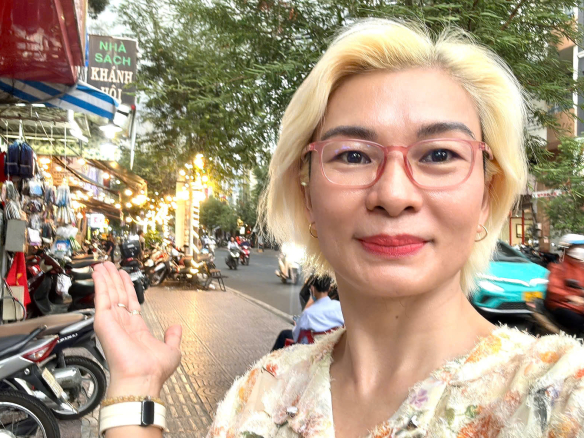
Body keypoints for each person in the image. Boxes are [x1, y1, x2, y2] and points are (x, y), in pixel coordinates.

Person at [92, 19, 584, 438]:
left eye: (439, 155)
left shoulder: (560, 396)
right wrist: (136, 386)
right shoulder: (262, 394)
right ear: (307, 196)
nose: (393, 193)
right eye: (352, 156)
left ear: (487, 197)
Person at [272, 275, 344, 351]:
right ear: (329, 288)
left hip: (312, 349)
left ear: (312, 288)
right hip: (333, 346)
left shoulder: (308, 313)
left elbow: (296, 336)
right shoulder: (339, 306)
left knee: (284, 334)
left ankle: (270, 358)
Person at [544, 245, 584, 333]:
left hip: (579, 306)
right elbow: (553, 289)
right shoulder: (557, 267)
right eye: (578, 246)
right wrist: (570, 297)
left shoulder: (581, 268)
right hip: (560, 305)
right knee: (577, 321)